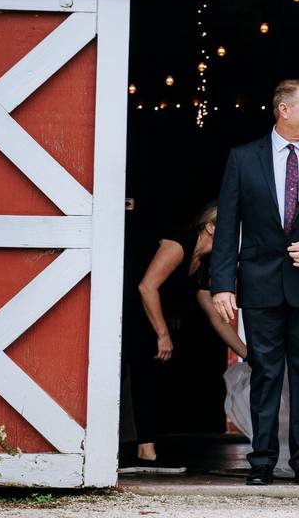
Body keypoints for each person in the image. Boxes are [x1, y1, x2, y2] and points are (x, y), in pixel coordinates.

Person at [210, 79, 299, 486]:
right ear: (283, 109)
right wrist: (223, 284)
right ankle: (261, 462)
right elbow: (227, 226)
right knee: (266, 372)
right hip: (259, 282)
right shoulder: (243, 159)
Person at [120, 202, 219, 474]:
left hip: (145, 316)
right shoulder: (180, 244)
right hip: (126, 309)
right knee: (135, 372)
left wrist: (245, 352)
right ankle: (140, 450)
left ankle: (145, 450)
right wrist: (162, 334)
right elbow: (146, 286)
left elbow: (213, 312)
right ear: (210, 227)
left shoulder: (204, 261)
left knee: (149, 374)